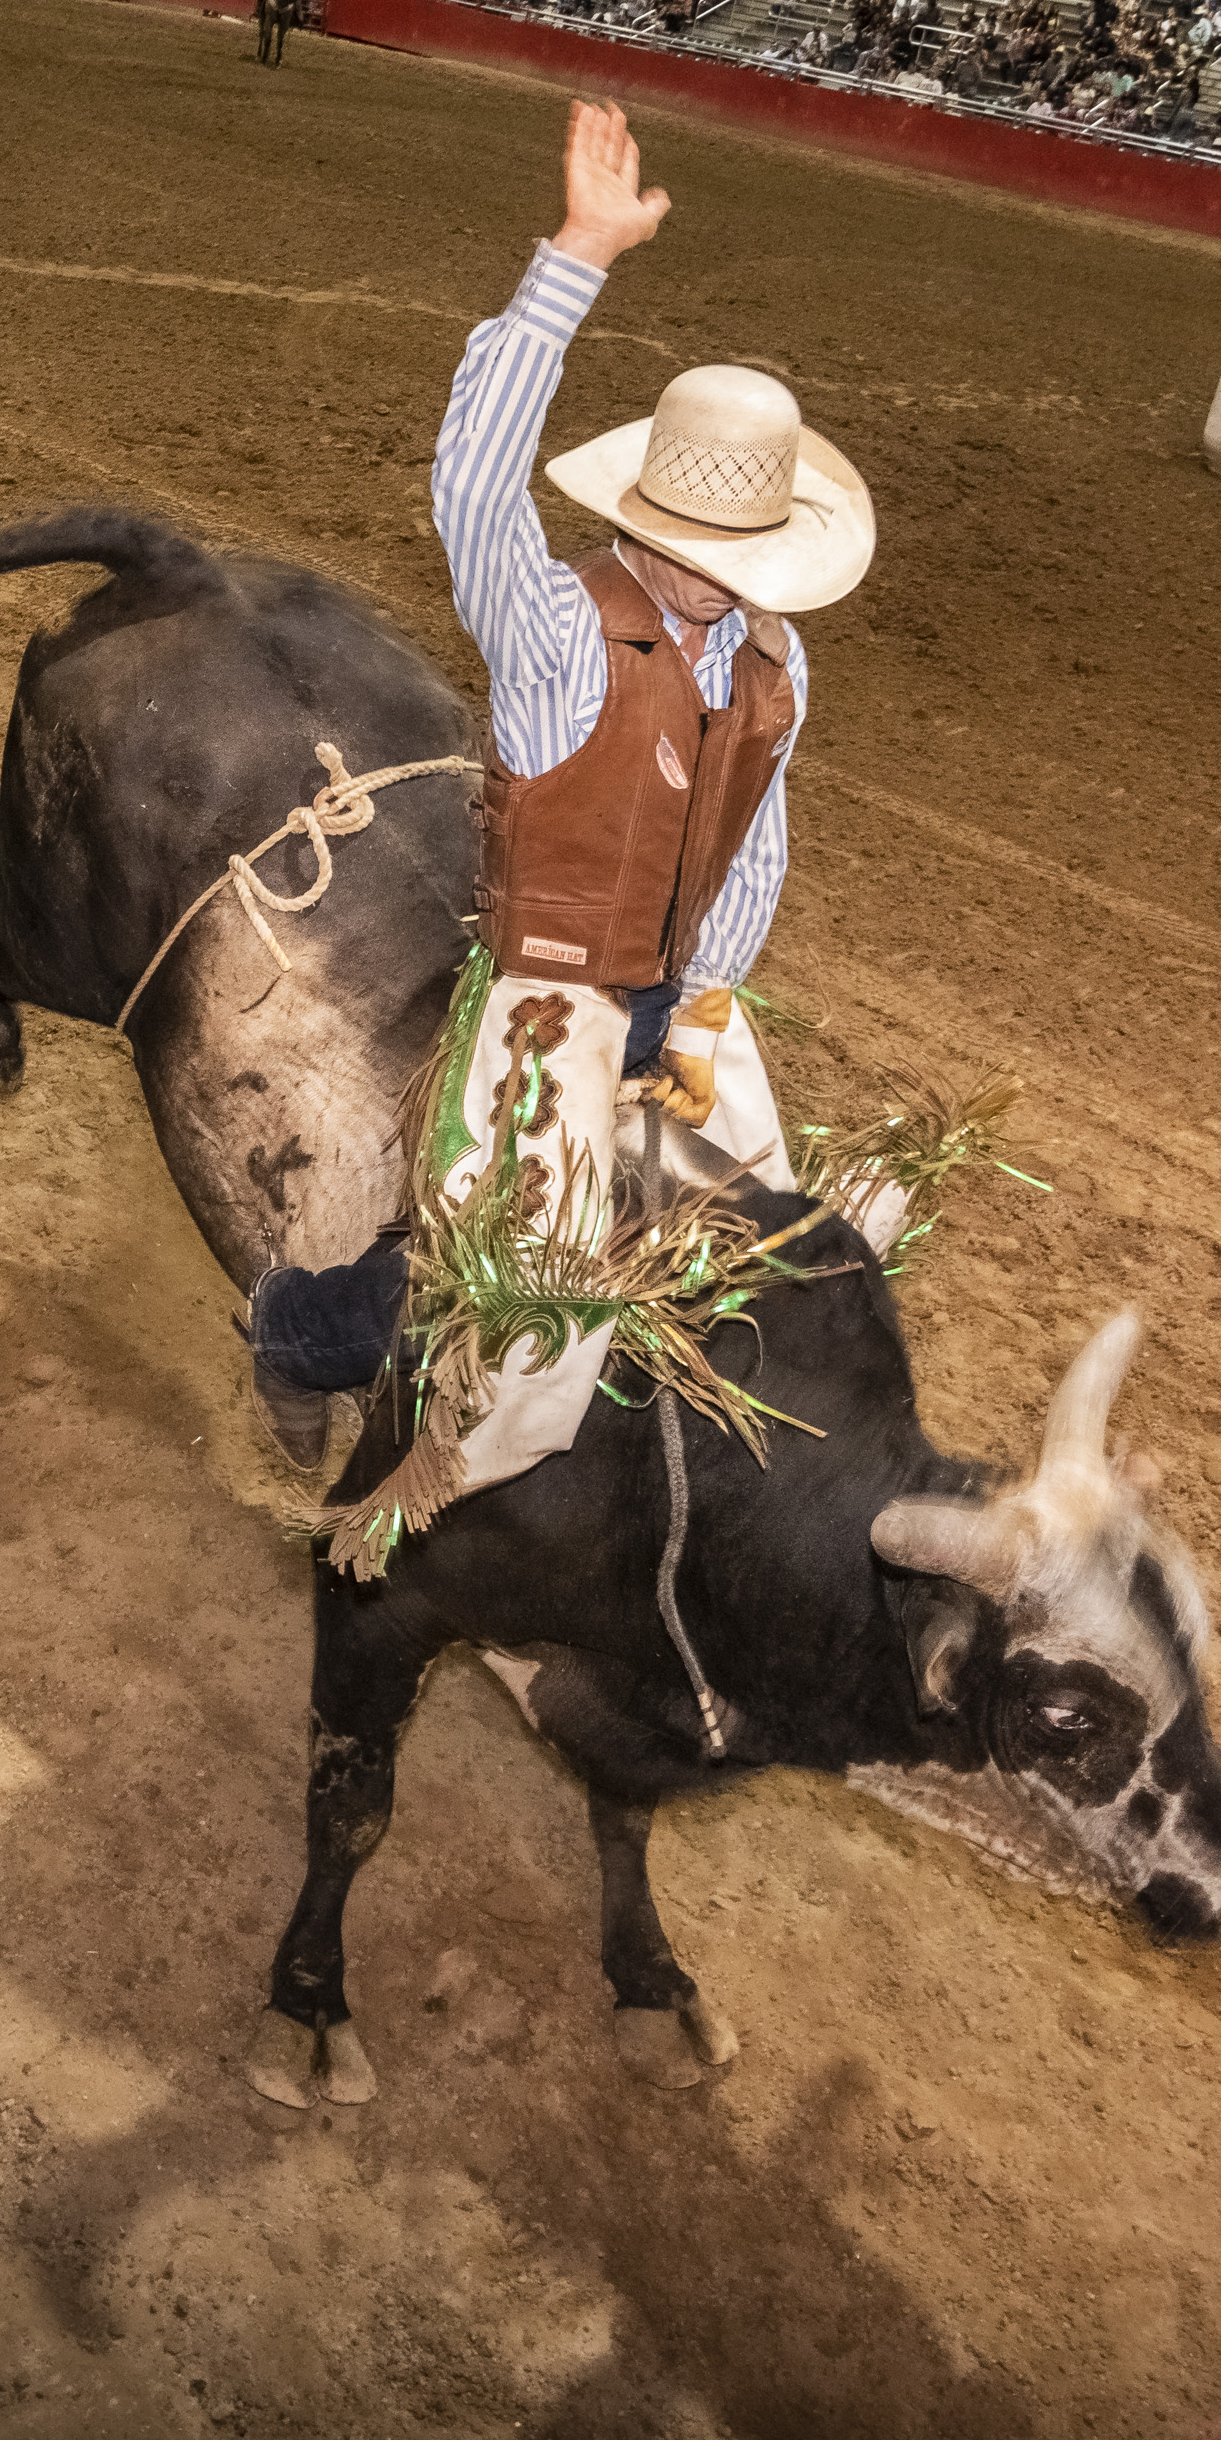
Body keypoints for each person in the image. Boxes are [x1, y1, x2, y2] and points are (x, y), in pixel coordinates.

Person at [244, 101, 872, 1459]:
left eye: (740, 549)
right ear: (640, 518)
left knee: (769, 1244)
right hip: (546, 992)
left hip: (677, 993)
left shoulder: (777, 658)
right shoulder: (555, 633)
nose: (718, 576)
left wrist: (705, 1009)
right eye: (697, 539)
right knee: (504, 1278)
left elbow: (752, 838)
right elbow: (473, 484)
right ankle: (294, 1336)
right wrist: (575, 260)